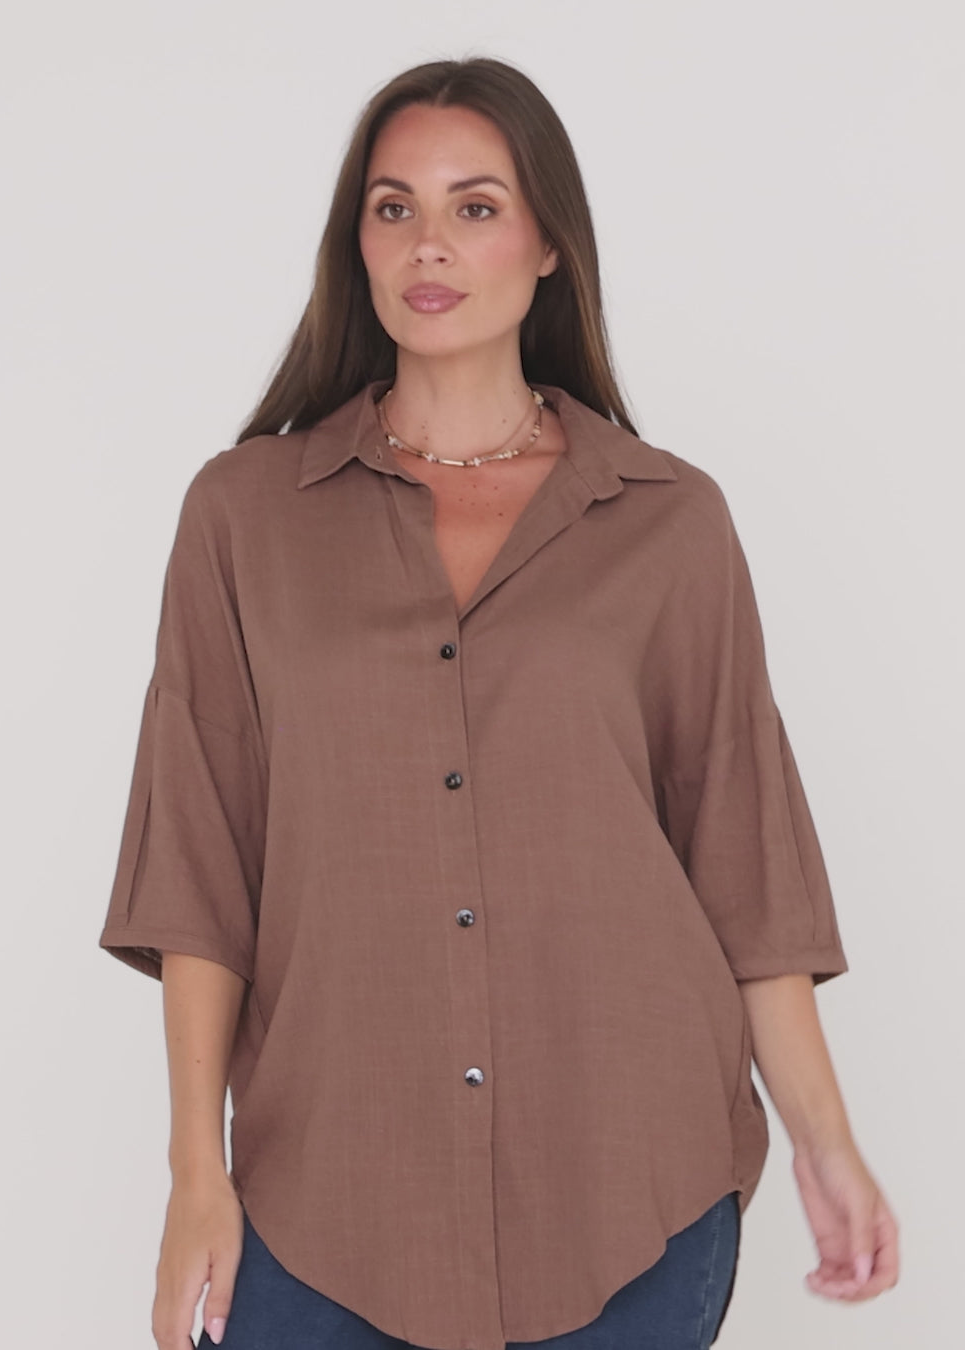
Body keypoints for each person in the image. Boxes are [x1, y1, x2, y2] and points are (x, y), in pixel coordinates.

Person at [97, 56, 900, 1350]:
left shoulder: (669, 521)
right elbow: (200, 862)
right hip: (323, 1203)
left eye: (476, 206)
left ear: (549, 246)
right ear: (356, 241)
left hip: (633, 1190)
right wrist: (199, 1169)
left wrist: (827, 1144)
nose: (429, 242)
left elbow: (746, 871)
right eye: (394, 206)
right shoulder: (244, 516)